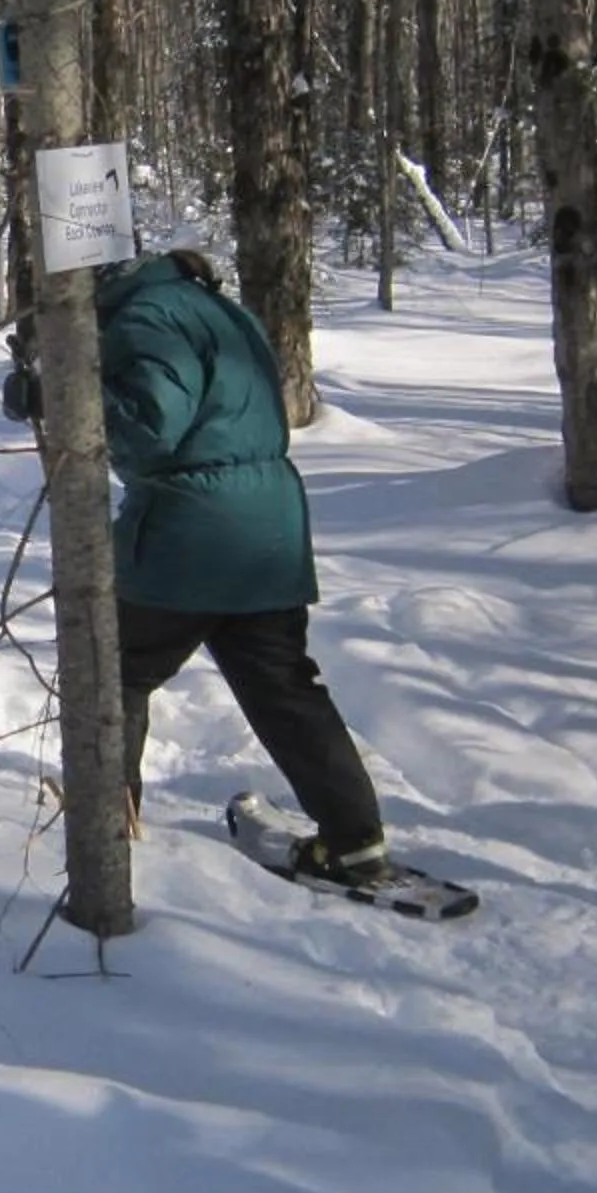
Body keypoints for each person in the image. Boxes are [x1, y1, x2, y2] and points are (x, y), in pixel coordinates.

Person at [93, 246, 390, 886]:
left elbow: (149, 427)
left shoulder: (144, 319)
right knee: (283, 686)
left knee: (110, 668)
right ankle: (355, 838)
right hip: (269, 524)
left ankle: (104, 819)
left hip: (193, 528)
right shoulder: (215, 307)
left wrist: (64, 396)